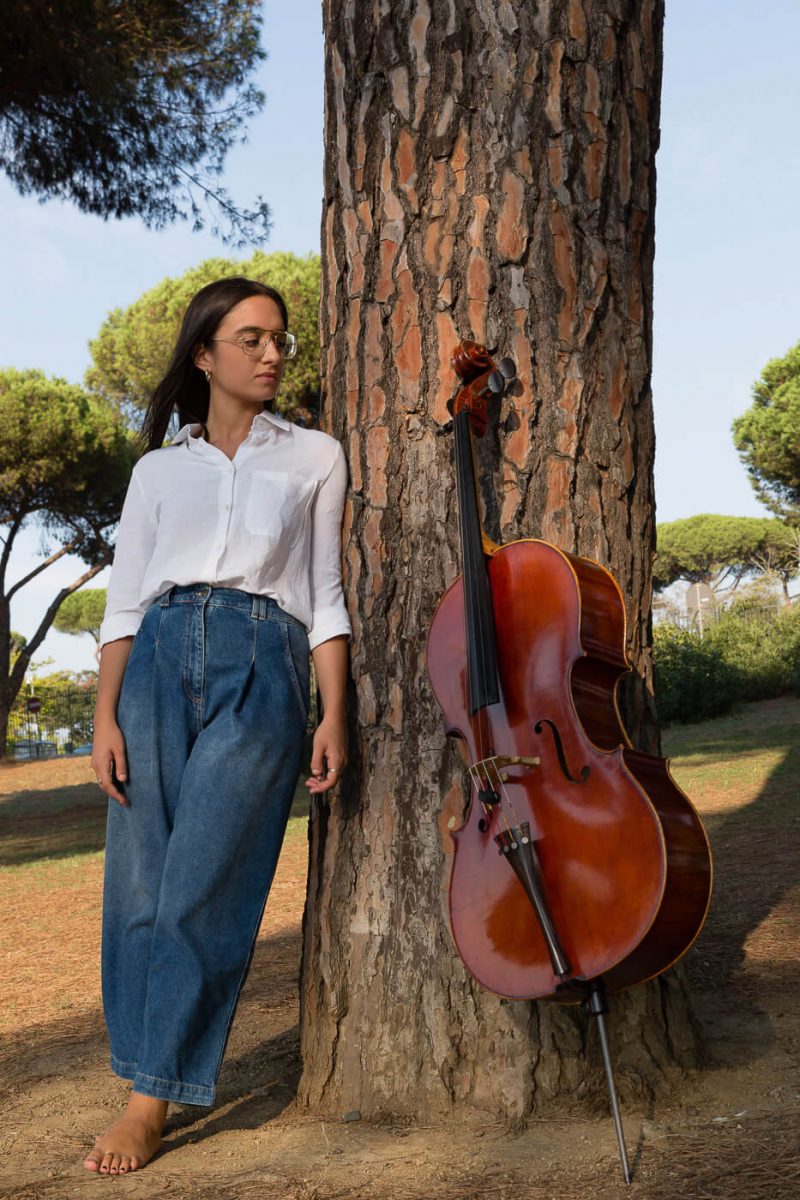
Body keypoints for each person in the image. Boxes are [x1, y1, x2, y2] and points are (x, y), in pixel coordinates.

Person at [85, 277, 351, 1175]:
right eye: (250, 338)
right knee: (138, 888)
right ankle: (145, 1074)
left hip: (261, 663)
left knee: (205, 885)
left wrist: (333, 714)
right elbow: (123, 604)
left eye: (278, 339)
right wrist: (102, 717)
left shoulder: (316, 456)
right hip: (156, 661)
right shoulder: (158, 471)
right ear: (205, 354)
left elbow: (324, 596)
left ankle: (148, 1101)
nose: (273, 353)